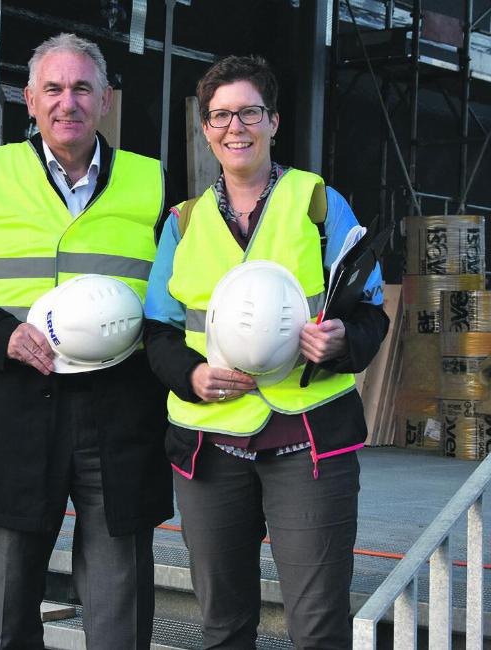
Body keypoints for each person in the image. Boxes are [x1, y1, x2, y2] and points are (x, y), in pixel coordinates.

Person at [0, 33, 174, 650]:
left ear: (106, 100)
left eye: (82, 88)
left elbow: (175, 290)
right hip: (16, 404)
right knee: (8, 608)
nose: (68, 103)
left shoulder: (152, 181)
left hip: (120, 411)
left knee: (119, 608)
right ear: (29, 101)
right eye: (53, 89)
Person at [143, 55, 389, 650]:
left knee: (316, 625)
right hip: (211, 444)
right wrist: (192, 375)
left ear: (274, 121)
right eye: (221, 115)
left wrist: (339, 343)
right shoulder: (183, 222)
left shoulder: (319, 204)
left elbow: (370, 313)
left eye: (250, 112)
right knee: (224, 625)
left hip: (308, 442)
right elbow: (159, 330)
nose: (237, 127)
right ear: (206, 128)